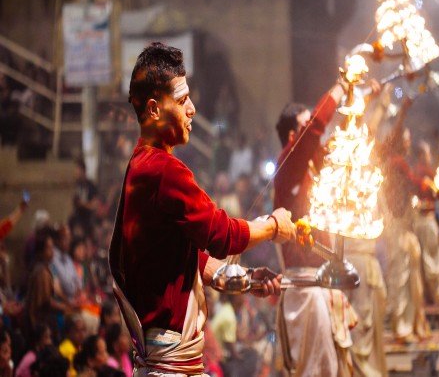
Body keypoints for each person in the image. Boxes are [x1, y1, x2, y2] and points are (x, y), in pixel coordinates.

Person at [108, 42, 296, 376]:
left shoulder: (142, 166)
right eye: (181, 101)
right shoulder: (162, 169)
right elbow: (222, 236)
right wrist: (273, 226)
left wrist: (242, 279)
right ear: (153, 109)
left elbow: (186, 256)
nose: (192, 109)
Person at [274, 77, 363, 377]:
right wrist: (339, 87)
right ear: (291, 136)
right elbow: (314, 129)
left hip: (324, 285)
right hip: (305, 290)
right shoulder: (287, 167)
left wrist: (360, 100)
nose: (313, 131)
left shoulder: (315, 169)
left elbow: (347, 147)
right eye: (304, 126)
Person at [377, 98, 430, 342]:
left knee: (410, 275)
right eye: (405, 140)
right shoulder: (394, 162)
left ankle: (409, 324)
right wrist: (404, 112)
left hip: (403, 226)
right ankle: (401, 326)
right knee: (400, 276)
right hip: (396, 226)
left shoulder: (396, 162)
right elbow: (414, 184)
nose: (408, 143)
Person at [412, 141, 439, 306]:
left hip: (420, 223)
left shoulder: (417, 173)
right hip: (425, 223)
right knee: (431, 262)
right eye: (427, 154)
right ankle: (437, 297)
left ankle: (427, 298)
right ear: (421, 156)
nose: (429, 157)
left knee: (424, 262)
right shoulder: (423, 175)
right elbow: (438, 194)